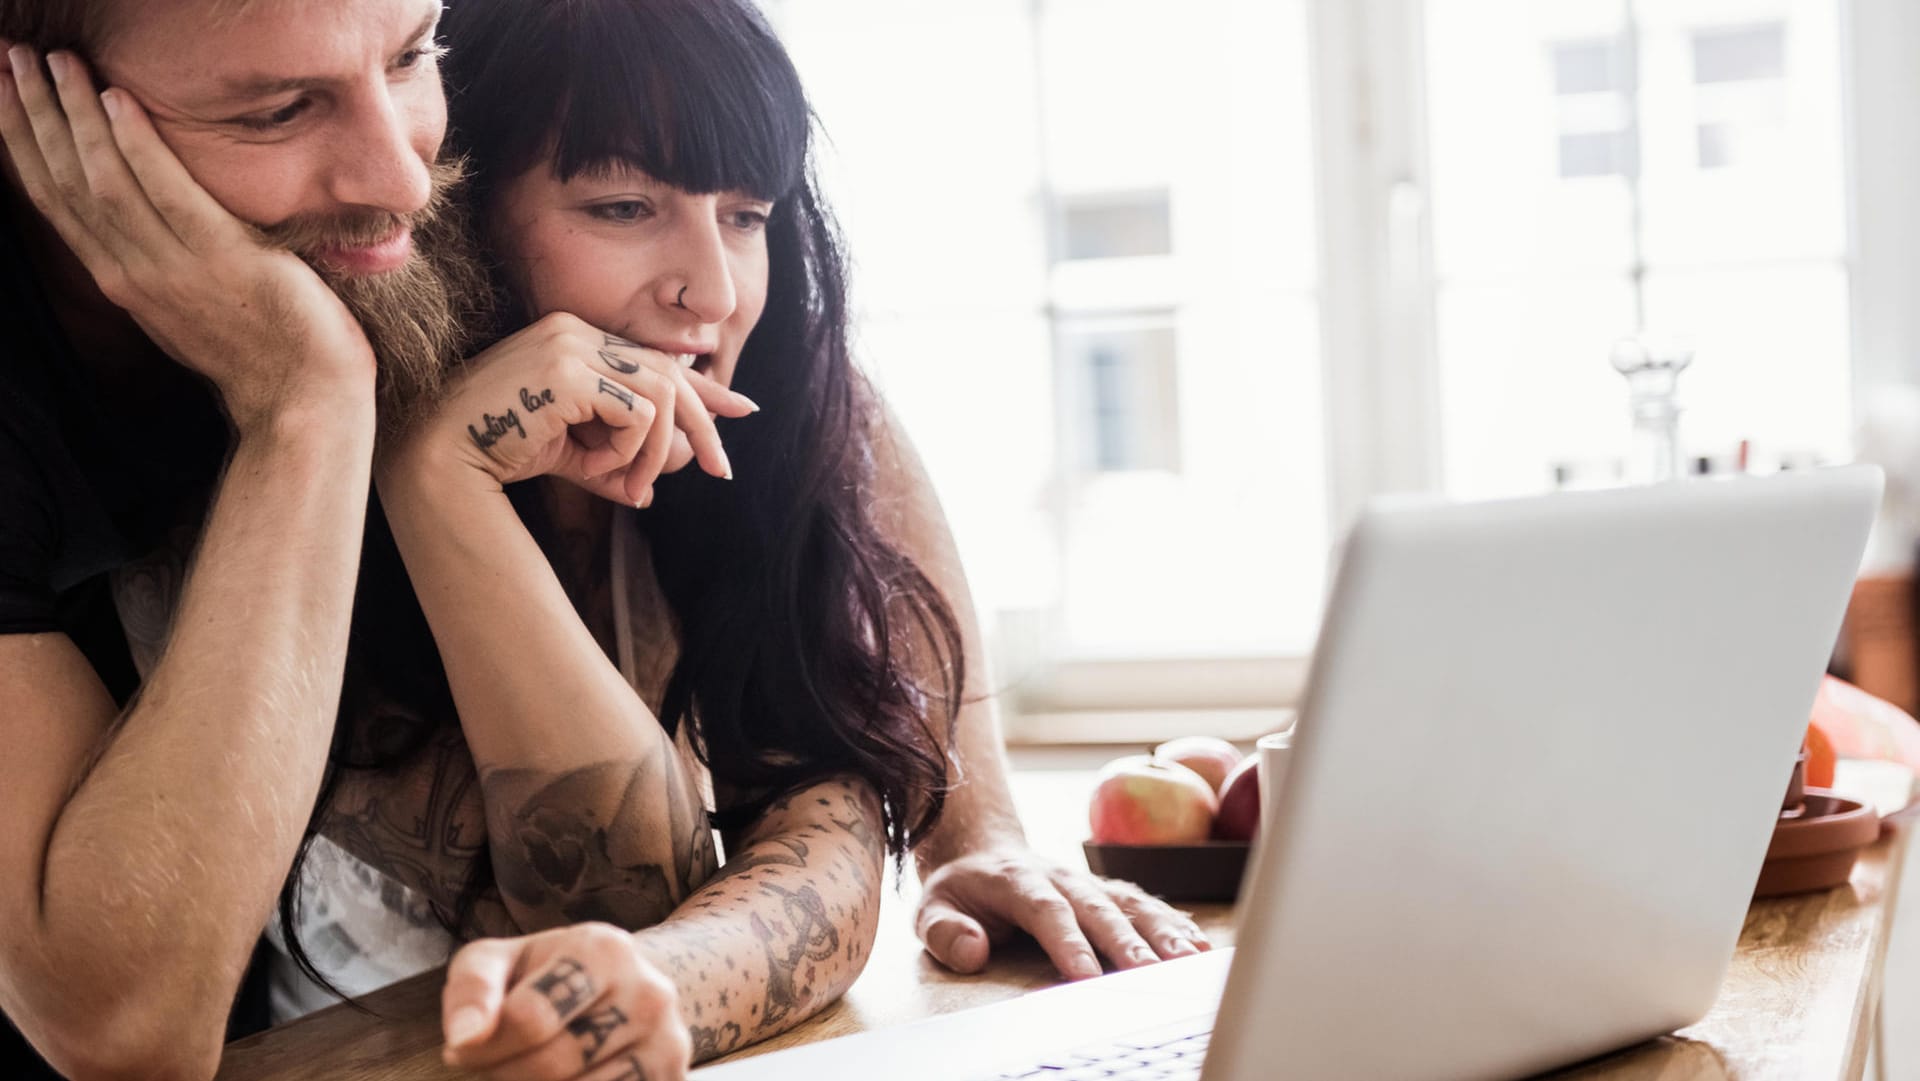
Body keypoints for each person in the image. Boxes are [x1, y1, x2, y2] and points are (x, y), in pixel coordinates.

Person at [0, 0, 1209, 1076]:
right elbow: (118, 1032)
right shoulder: (299, 334)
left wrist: (971, 822)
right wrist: (333, 411)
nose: (401, 179)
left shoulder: (642, 356)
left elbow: (792, 824)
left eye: (415, 54)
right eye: (275, 108)